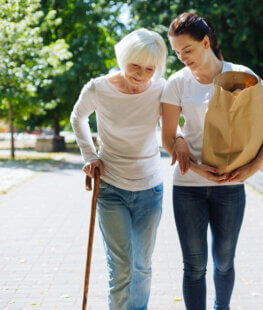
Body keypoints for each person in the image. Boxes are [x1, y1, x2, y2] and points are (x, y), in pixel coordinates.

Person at [161, 13, 263, 310]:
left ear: (206, 43)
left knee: (224, 262)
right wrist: (197, 167)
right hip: (188, 187)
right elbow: (167, 138)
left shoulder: (241, 76)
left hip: (230, 186)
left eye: (187, 50)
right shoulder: (177, 83)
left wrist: (251, 170)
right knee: (193, 266)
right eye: (177, 53)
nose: (182, 59)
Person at [71, 28, 170, 310]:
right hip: (111, 188)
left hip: (150, 189)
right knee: (122, 269)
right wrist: (89, 155)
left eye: (149, 69)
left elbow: (174, 124)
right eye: (135, 66)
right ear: (122, 58)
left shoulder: (160, 89)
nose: (141, 75)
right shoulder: (98, 88)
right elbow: (78, 117)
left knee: (142, 266)